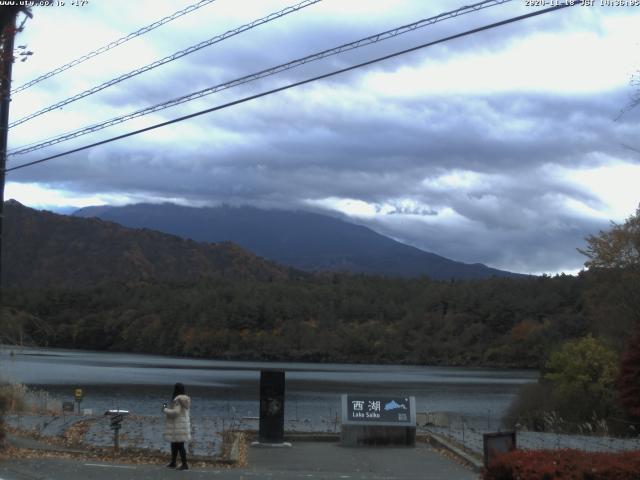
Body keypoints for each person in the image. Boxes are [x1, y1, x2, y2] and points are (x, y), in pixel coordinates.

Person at [163, 382, 191, 470]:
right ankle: (173, 462)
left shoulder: (178, 400)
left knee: (179, 445)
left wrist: (165, 409)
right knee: (175, 444)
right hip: (182, 424)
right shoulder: (185, 399)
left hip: (178, 425)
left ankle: (184, 464)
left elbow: (176, 412)